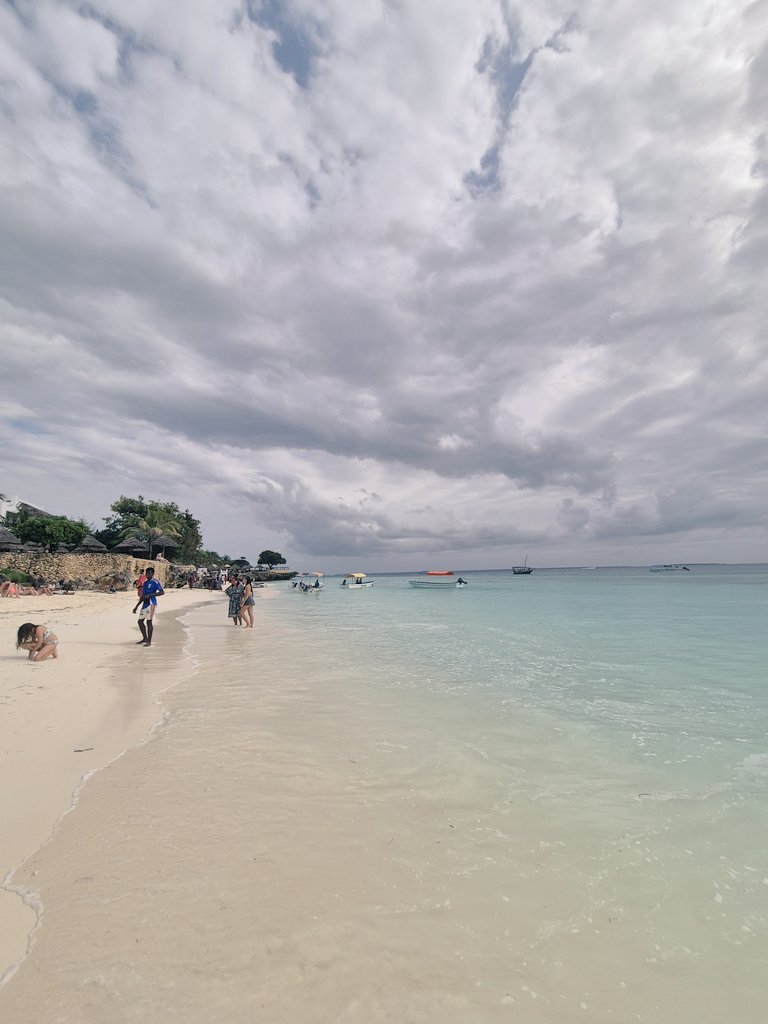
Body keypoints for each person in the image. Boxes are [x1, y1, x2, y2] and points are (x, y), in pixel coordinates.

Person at [132, 567, 164, 646]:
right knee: (140, 622)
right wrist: (136, 606)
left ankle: (149, 641)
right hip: (145, 604)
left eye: (149, 573)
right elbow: (143, 596)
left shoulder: (155, 582)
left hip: (151, 604)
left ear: (152, 574)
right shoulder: (145, 583)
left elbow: (162, 592)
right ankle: (144, 638)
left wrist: (151, 595)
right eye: (147, 573)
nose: (147, 575)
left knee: (149, 622)